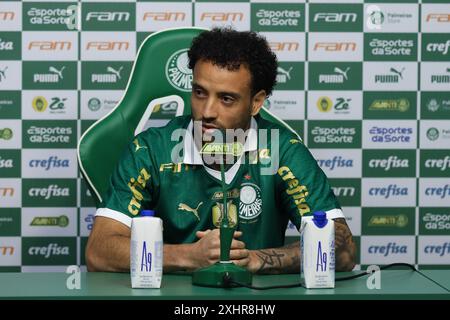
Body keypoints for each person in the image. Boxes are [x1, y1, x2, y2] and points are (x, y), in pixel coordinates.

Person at [86, 27, 356, 274]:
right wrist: (188, 256)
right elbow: (98, 252)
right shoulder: (150, 150)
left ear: (256, 103)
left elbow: (344, 250)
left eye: (227, 99)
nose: (207, 112)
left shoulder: (280, 150)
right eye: (200, 93)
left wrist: (255, 259)